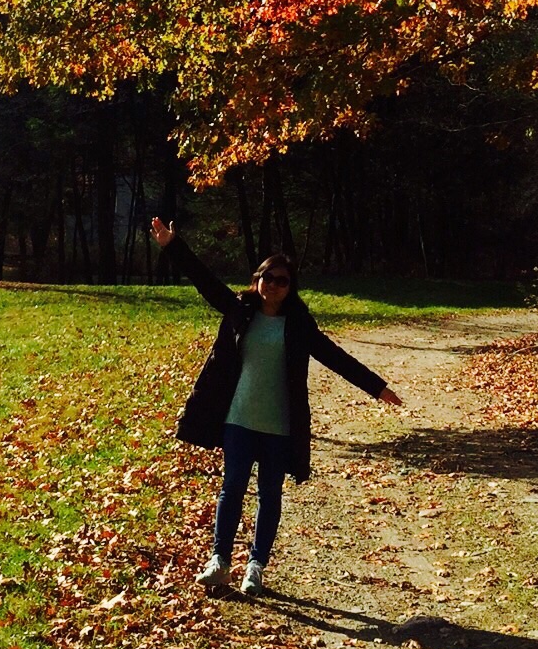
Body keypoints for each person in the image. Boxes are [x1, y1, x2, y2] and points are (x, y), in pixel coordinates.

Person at [150, 216, 403, 595]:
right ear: (258, 280)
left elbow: (335, 357)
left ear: (290, 287)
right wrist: (173, 245)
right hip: (239, 418)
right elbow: (206, 281)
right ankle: (219, 560)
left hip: (280, 425)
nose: (273, 285)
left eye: (282, 280)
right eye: (268, 278)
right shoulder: (240, 310)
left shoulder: (298, 324)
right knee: (231, 487)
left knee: (270, 494)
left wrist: (377, 387)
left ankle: (256, 566)